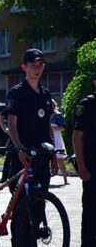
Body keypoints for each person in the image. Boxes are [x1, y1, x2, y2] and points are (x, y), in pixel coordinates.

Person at [4, 48, 58, 246]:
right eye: (33, 64)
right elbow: (12, 124)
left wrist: (53, 154)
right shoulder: (17, 93)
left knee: (38, 205)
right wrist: (19, 148)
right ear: (24, 67)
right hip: (22, 157)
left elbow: (47, 127)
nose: (37, 68)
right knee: (21, 210)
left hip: (41, 156)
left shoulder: (45, 94)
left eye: (40, 64)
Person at [72, 73, 96, 247]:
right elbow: (76, 136)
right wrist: (81, 166)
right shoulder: (87, 104)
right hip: (92, 165)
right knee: (90, 212)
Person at [50, 99, 68, 185]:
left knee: (60, 159)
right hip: (48, 138)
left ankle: (65, 180)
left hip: (56, 137)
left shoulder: (58, 115)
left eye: (52, 105)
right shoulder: (44, 115)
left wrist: (54, 129)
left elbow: (63, 127)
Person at [0, 110, 13, 183]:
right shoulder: (14, 104)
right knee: (8, 158)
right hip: (14, 137)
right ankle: (4, 178)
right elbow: (1, 116)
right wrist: (5, 129)